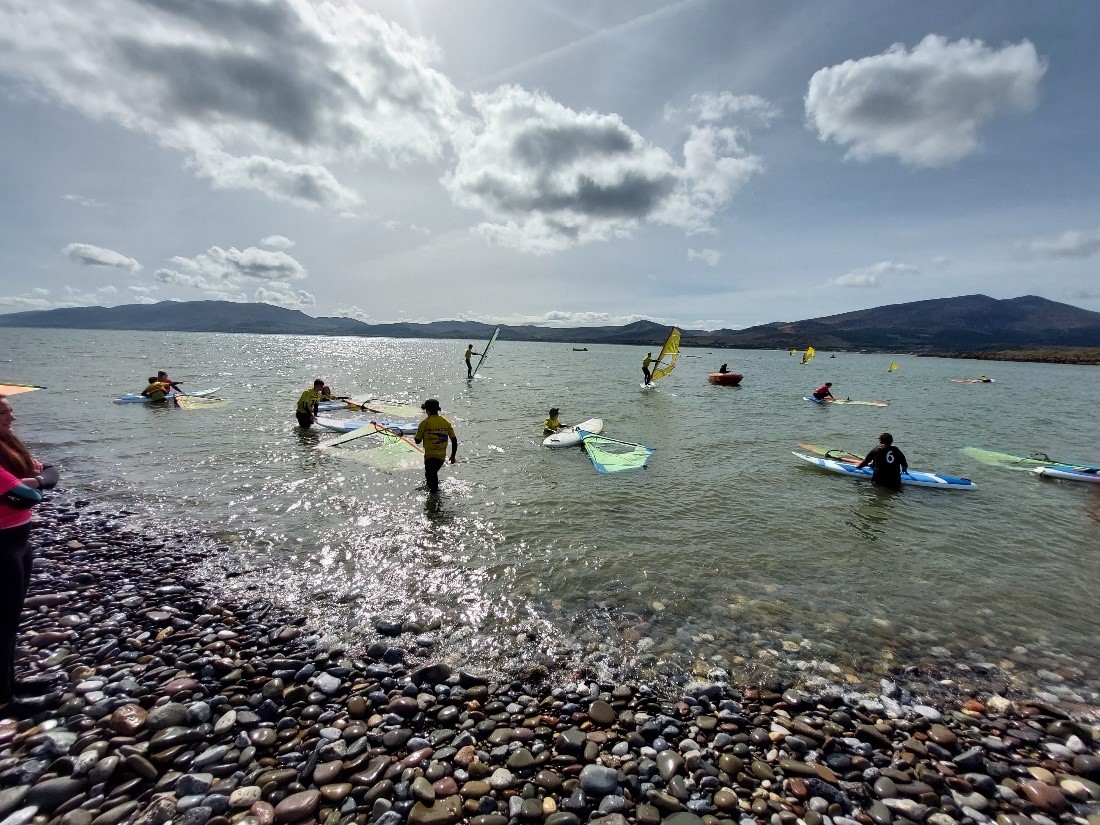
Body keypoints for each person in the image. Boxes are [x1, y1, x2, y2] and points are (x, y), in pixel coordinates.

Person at [0, 394, 60, 709]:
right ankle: (5, 697)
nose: (13, 418)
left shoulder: (9, 449)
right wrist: (34, 485)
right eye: (5, 413)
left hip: (18, 540)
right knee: (3, 620)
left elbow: (50, 471)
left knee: (11, 617)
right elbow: (28, 495)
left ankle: (9, 684)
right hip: (2, 545)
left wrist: (34, 482)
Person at [414, 399, 457, 494]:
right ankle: (436, 496)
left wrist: (419, 433)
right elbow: (454, 440)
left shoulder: (424, 423)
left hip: (429, 456)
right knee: (432, 475)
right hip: (441, 457)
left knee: (430, 476)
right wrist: (453, 455)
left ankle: (435, 499)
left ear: (427, 410)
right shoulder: (446, 422)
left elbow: (417, 441)